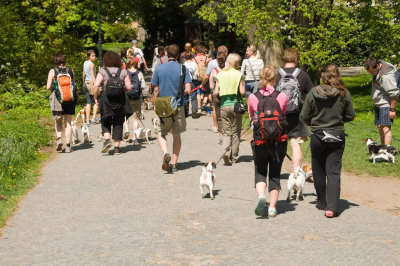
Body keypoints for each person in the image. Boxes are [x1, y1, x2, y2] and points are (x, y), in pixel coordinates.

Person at [300, 63, 355, 218]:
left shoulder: (313, 92)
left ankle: (322, 202)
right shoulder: (343, 93)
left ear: (322, 76)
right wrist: (339, 119)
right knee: (333, 171)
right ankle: (331, 207)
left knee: (318, 169)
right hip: (337, 134)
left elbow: (304, 116)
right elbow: (350, 115)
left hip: (318, 135)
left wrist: (314, 123)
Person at [248, 66, 288, 217]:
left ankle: (260, 196)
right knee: (275, 173)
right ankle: (272, 207)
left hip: (260, 140)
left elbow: (253, 116)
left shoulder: (253, 97)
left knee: (260, 170)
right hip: (278, 140)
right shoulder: (282, 96)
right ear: (274, 78)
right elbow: (283, 114)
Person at [151, 44, 191, 173]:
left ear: (167, 54)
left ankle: (165, 153)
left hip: (163, 106)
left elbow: (155, 89)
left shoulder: (159, 69)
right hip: (177, 105)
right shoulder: (183, 69)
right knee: (176, 134)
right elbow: (188, 89)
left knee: (161, 133)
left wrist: (155, 103)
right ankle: (174, 163)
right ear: (179, 55)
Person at [276, 48, 314, 174]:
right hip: (296, 116)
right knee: (295, 145)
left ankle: (275, 172)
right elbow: (312, 94)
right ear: (296, 59)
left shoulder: (276, 74)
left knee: (279, 144)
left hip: (278, 116)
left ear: (284, 58)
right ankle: (296, 172)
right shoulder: (303, 75)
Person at [93, 51, 133, 155]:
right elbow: (129, 87)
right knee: (118, 122)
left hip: (106, 99)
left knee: (105, 119)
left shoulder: (103, 71)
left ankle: (107, 140)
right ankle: (116, 148)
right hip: (119, 100)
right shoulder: (123, 72)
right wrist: (122, 91)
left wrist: (95, 98)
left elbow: (96, 85)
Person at [214, 53, 245, 165]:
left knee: (227, 132)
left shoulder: (220, 74)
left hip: (224, 105)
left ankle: (226, 153)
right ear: (236, 63)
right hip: (236, 105)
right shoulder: (238, 74)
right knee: (236, 132)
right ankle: (234, 156)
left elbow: (216, 92)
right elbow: (242, 91)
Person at [46, 53, 77, 153]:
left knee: (58, 121)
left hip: (57, 99)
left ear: (55, 61)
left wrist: (54, 89)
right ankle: (68, 145)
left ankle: (59, 139)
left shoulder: (53, 71)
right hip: (70, 99)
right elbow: (74, 84)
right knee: (68, 122)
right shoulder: (70, 70)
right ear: (64, 61)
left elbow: (48, 86)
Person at [364, 57, 398, 146]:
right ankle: (383, 149)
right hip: (379, 104)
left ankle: (387, 151)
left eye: (371, 71)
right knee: (380, 127)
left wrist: (392, 110)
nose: (371, 74)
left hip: (385, 104)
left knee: (385, 128)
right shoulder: (377, 71)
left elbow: (394, 94)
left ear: (377, 66)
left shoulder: (386, 76)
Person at [123, 58, 146, 142]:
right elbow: (143, 85)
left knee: (125, 115)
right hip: (136, 97)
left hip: (126, 97)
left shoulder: (124, 72)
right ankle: (134, 136)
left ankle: (126, 130)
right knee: (136, 117)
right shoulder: (139, 73)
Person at [209, 52, 227, 140]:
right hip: (226, 92)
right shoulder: (228, 70)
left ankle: (216, 126)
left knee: (215, 109)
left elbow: (211, 85)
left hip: (216, 92)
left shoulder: (214, 71)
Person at [82, 49, 99, 124]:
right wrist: (96, 85)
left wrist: (83, 82)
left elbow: (83, 73)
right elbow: (92, 75)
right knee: (96, 101)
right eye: (93, 56)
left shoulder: (85, 63)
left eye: (94, 55)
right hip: (92, 83)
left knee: (88, 102)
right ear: (89, 56)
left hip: (86, 83)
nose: (94, 57)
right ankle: (94, 118)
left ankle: (88, 119)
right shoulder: (91, 64)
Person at [183, 52, 199, 118]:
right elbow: (198, 74)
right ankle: (194, 110)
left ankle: (185, 112)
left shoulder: (184, 64)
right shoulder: (195, 64)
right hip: (193, 81)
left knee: (185, 96)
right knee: (193, 96)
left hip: (186, 81)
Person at [194, 44, 210, 111]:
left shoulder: (194, 59)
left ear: (196, 51)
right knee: (206, 92)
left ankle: (199, 108)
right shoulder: (207, 58)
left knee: (198, 93)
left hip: (198, 77)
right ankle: (204, 103)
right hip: (205, 77)